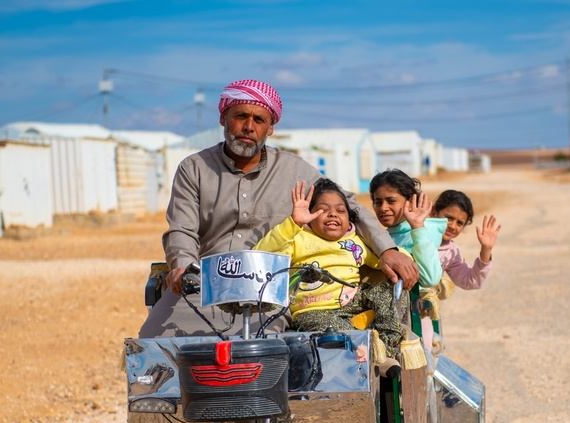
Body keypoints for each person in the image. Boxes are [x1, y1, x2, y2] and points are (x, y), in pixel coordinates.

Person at [138, 79, 418, 338]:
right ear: (223, 118)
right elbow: (182, 229)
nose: (249, 126)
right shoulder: (194, 168)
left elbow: (350, 205)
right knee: (154, 344)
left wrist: (387, 250)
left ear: (270, 128)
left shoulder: (294, 170)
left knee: (266, 356)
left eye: (259, 120)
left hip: (269, 288)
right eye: (240, 116)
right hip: (206, 285)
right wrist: (182, 266)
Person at [253, 179, 407, 357]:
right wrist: (293, 224)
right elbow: (261, 256)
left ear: (349, 218)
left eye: (341, 211)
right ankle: (367, 353)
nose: (333, 214)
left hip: (352, 302)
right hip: (313, 310)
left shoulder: (354, 242)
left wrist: (405, 258)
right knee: (338, 331)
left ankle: (385, 348)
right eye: (323, 210)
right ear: (309, 215)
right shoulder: (298, 238)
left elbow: (383, 261)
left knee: (390, 291)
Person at [370, 169, 445, 290]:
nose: (383, 208)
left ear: (410, 202)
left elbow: (430, 279)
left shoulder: (424, 231)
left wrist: (417, 226)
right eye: (378, 202)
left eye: (391, 201)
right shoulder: (381, 235)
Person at [431, 189, 501, 291]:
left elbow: (470, 281)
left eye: (459, 223)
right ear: (434, 213)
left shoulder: (451, 252)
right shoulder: (414, 231)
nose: (453, 226)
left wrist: (486, 249)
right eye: (449, 218)